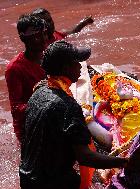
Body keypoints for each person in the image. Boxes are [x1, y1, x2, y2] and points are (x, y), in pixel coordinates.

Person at [19, 40, 128, 189]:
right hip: (53, 183)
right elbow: (85, 157)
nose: (80, 67)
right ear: (66, 68)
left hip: (27, 177)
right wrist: (124, 162)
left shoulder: (38, 92)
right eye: (77, 63)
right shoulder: (68, 105)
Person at [5, 14, 48, 142]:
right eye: (36, 36)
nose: (43, 39)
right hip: (29, 127)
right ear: (23, 38)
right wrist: (43, 103)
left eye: (44, 34)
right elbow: (16, 108)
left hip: (49, 115)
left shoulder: (48, 55)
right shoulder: (14, 68)